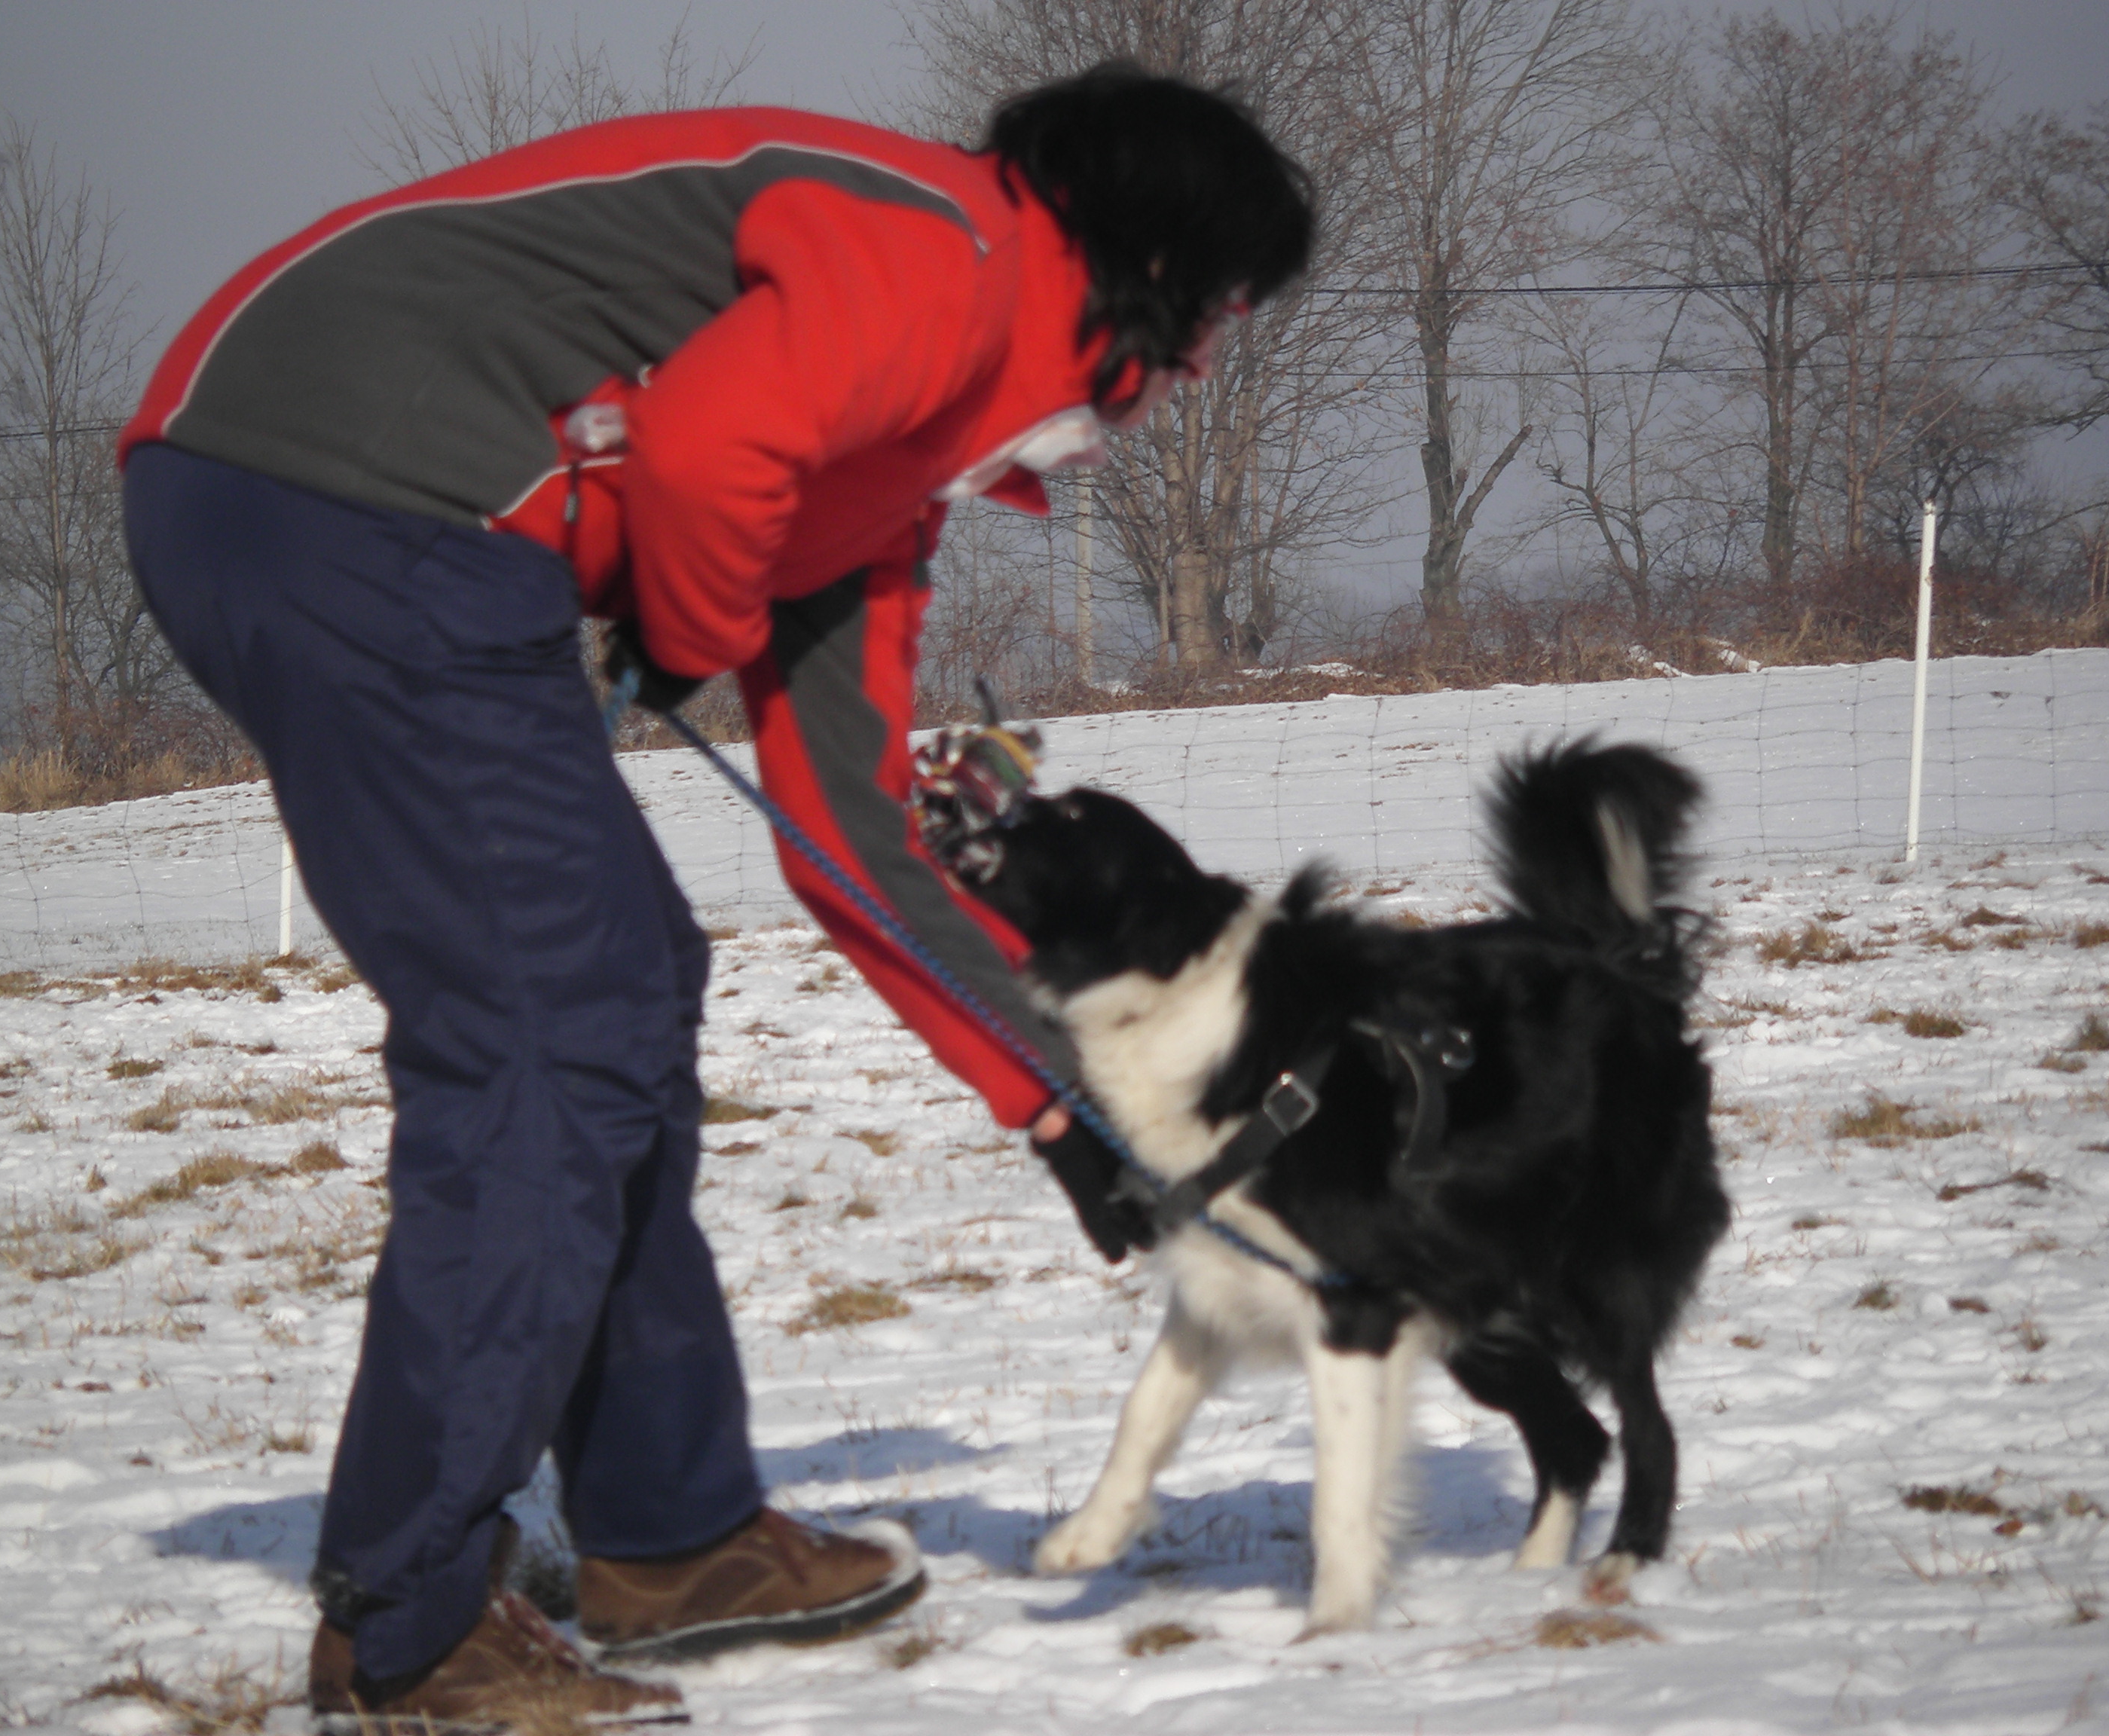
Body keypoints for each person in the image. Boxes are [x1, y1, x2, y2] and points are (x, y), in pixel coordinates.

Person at [118, 63, 1312, 1734]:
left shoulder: (893, 469)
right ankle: (410, 1632)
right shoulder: (947, 256)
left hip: (345, 505)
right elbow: (703, 443)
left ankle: (670, 1537)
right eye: (1221, 317)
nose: (1198, 374)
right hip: (347, 478)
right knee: (554, 1021)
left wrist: (1059, 1107)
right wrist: (685, 630)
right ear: (1156, 265)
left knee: (619, 982)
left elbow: (859, 836)